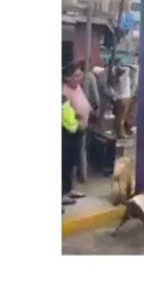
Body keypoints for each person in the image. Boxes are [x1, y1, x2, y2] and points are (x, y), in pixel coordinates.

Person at [62, 62, 90, 205]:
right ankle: (62, 193)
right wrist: (76, 116)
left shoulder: (77, 87)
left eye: (80, 74)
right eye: (76, 75)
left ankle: (70, 189)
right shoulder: (64, 91)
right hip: (68, 132)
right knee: (65, 163)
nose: (80, 77)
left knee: (73, 162)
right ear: (68, 78)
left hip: (79, 130)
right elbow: (64, 112)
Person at [112, 65, 133, 139]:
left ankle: (118, 132)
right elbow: (130, 69)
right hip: (126, 98)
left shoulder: (117, 79)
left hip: (118, 99)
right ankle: (122, 134)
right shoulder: (126, 78)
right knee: (123, 118)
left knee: (118, 117)